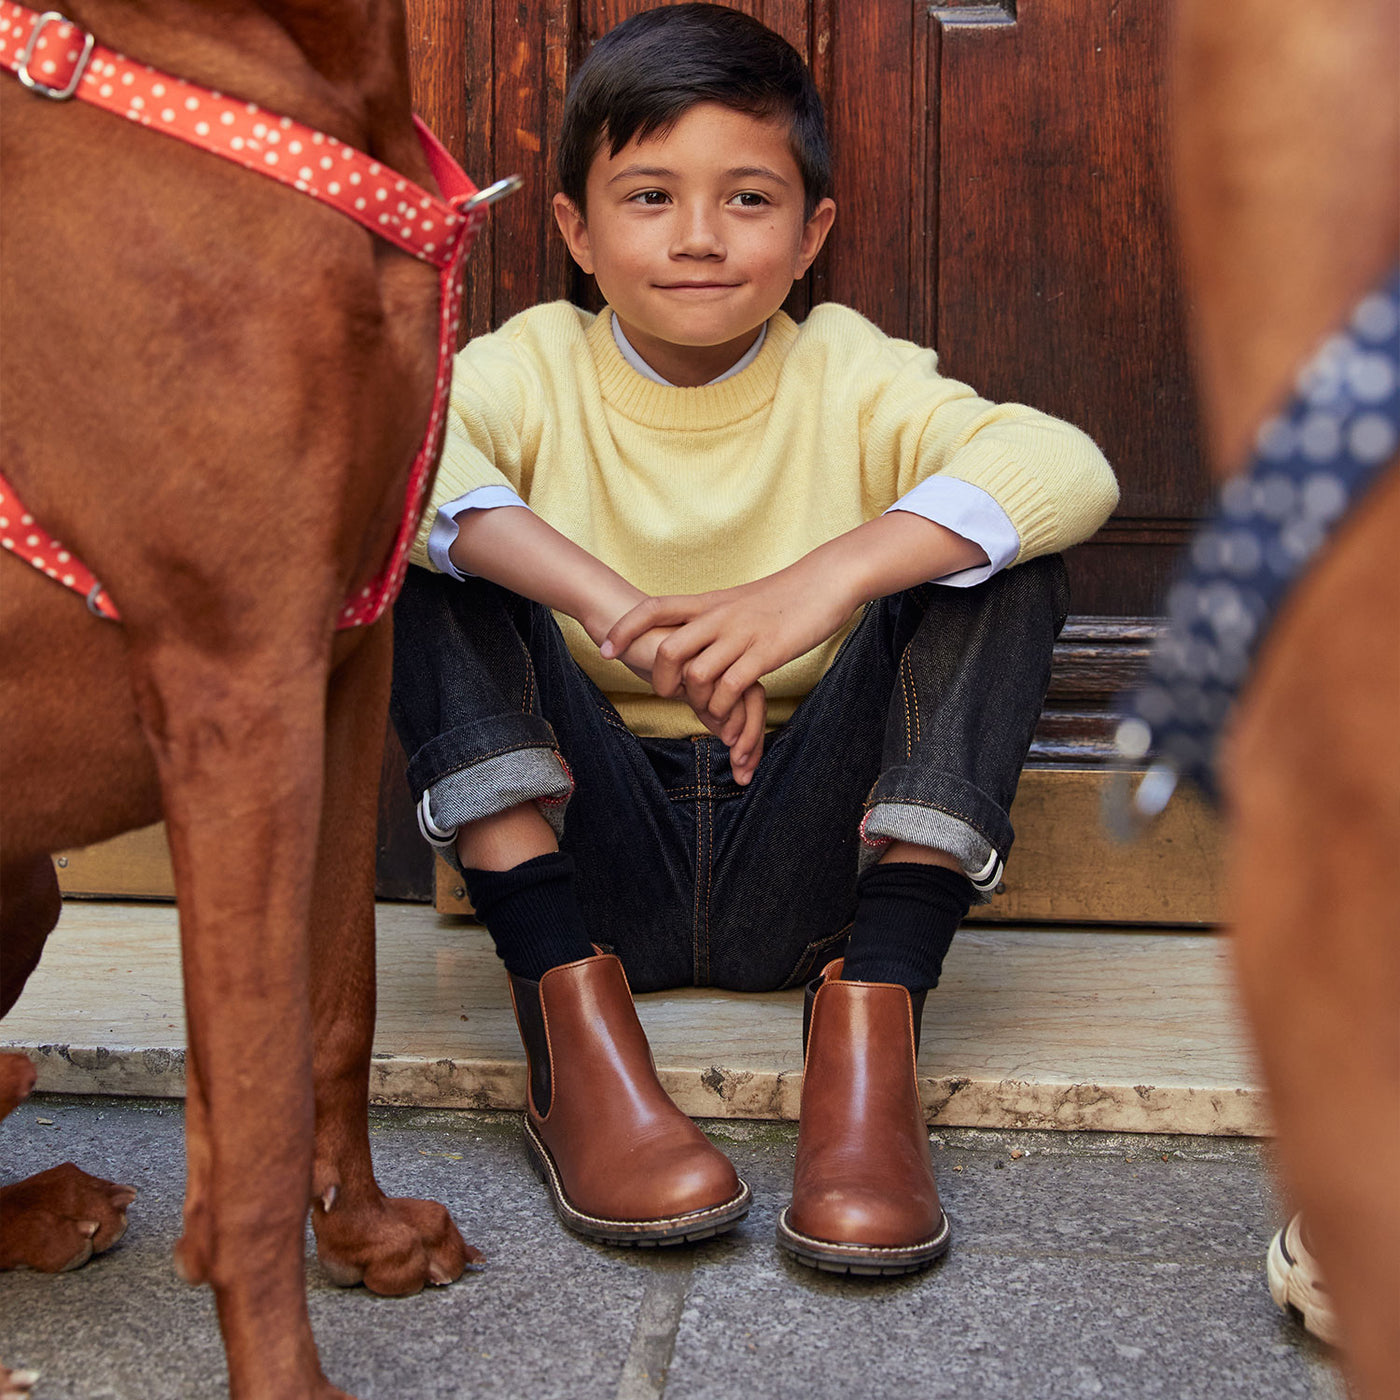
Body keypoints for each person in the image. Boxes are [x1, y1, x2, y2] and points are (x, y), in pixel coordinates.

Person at [391, 2, 1118, 1271]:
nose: (695, 239)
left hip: (816, 865)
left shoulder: (848, 367)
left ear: (809, 234)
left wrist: (815, 585)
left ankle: (872, 1029)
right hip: (586, 851)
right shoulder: (531, 366)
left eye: (745, 199)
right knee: (406, 535)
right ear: (572, 228)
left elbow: (1066, 463)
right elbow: (397, 450)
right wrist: (617, 608)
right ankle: (568, 1025)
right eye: (648, 196)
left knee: (998, 553)